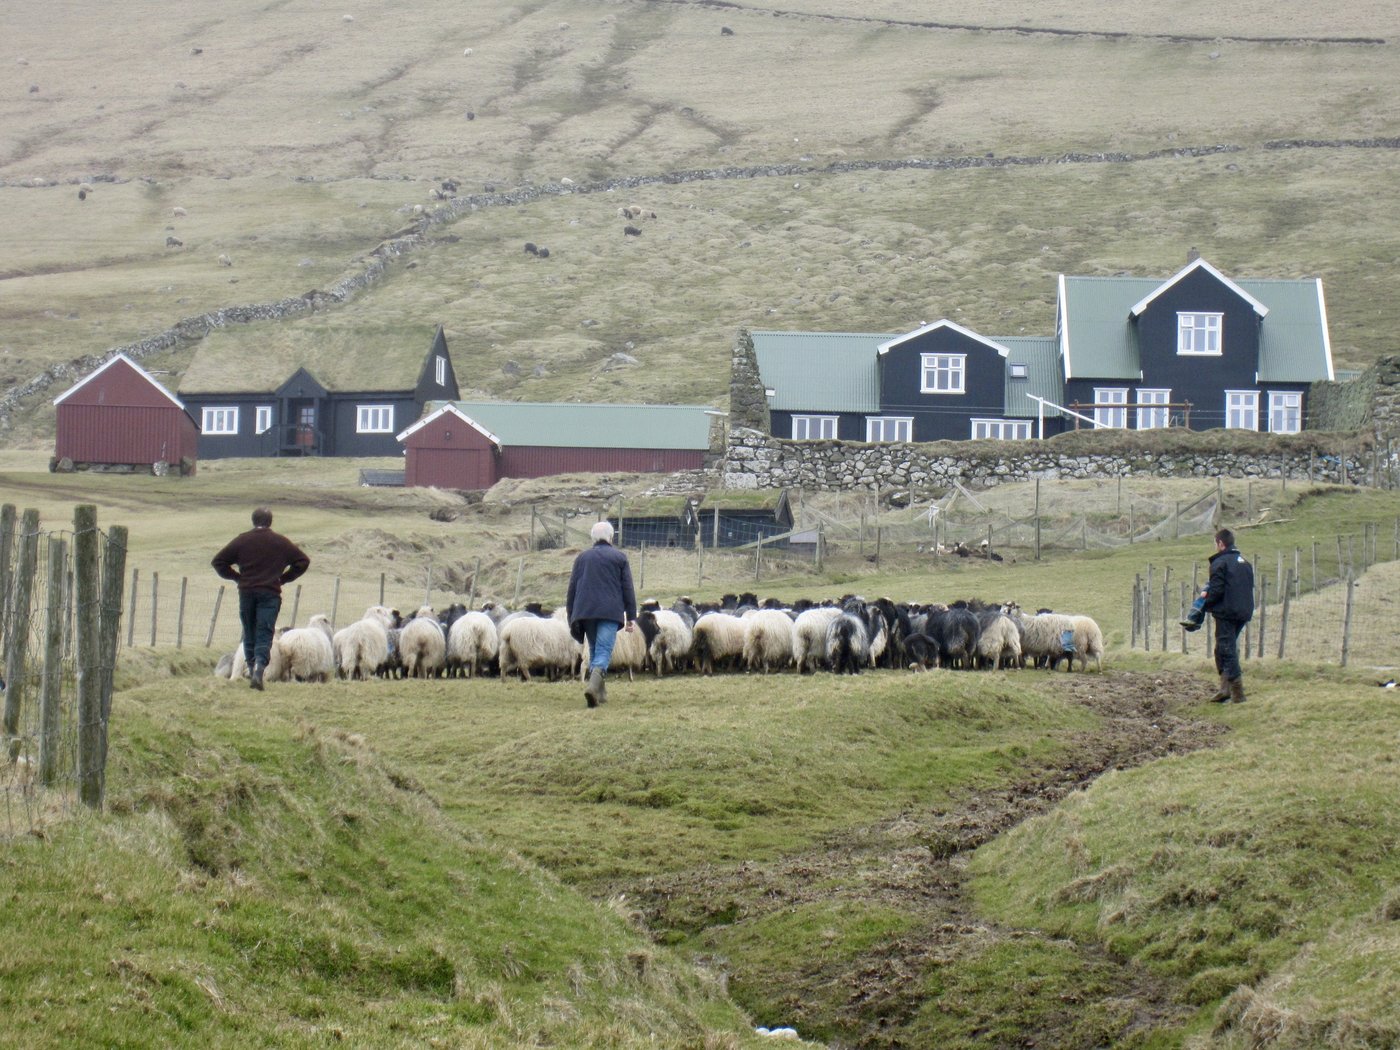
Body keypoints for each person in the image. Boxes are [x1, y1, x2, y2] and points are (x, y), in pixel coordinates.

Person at [212, 508, 310, 691]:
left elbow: (218, 562)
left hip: (247, 592)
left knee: (249, 631)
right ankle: (259, 670)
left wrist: (237, 577)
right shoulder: (280, 542)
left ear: (253, 520)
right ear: (270, 522)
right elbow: (302, 561)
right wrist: (283, 578)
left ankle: (251, 669)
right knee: (265, 632)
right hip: (270, 594)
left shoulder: (242, 540)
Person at [566, 520, 637, 708]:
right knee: (604, 651)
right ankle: (592, 687)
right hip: (609, 612)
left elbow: (572, 588)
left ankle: (600, 693)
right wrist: (631, 617)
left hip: (586, 612)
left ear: (593, 538)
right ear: (611, 537)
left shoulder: (582, 558)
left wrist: (571, 615)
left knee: (596, 649)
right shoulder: (619, 558)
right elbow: (627, 588)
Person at [1192, 527, 1254, 704]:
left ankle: (1238, 692)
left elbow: (1217, 590)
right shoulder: (1245, 563)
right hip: (1243, 611)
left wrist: (1205, 603)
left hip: (1227, 612)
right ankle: (1224, 689)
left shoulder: (1220, 563)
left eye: (1215, 543)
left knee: (1226, 649)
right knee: (1224, 648)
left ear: (1220, 543)